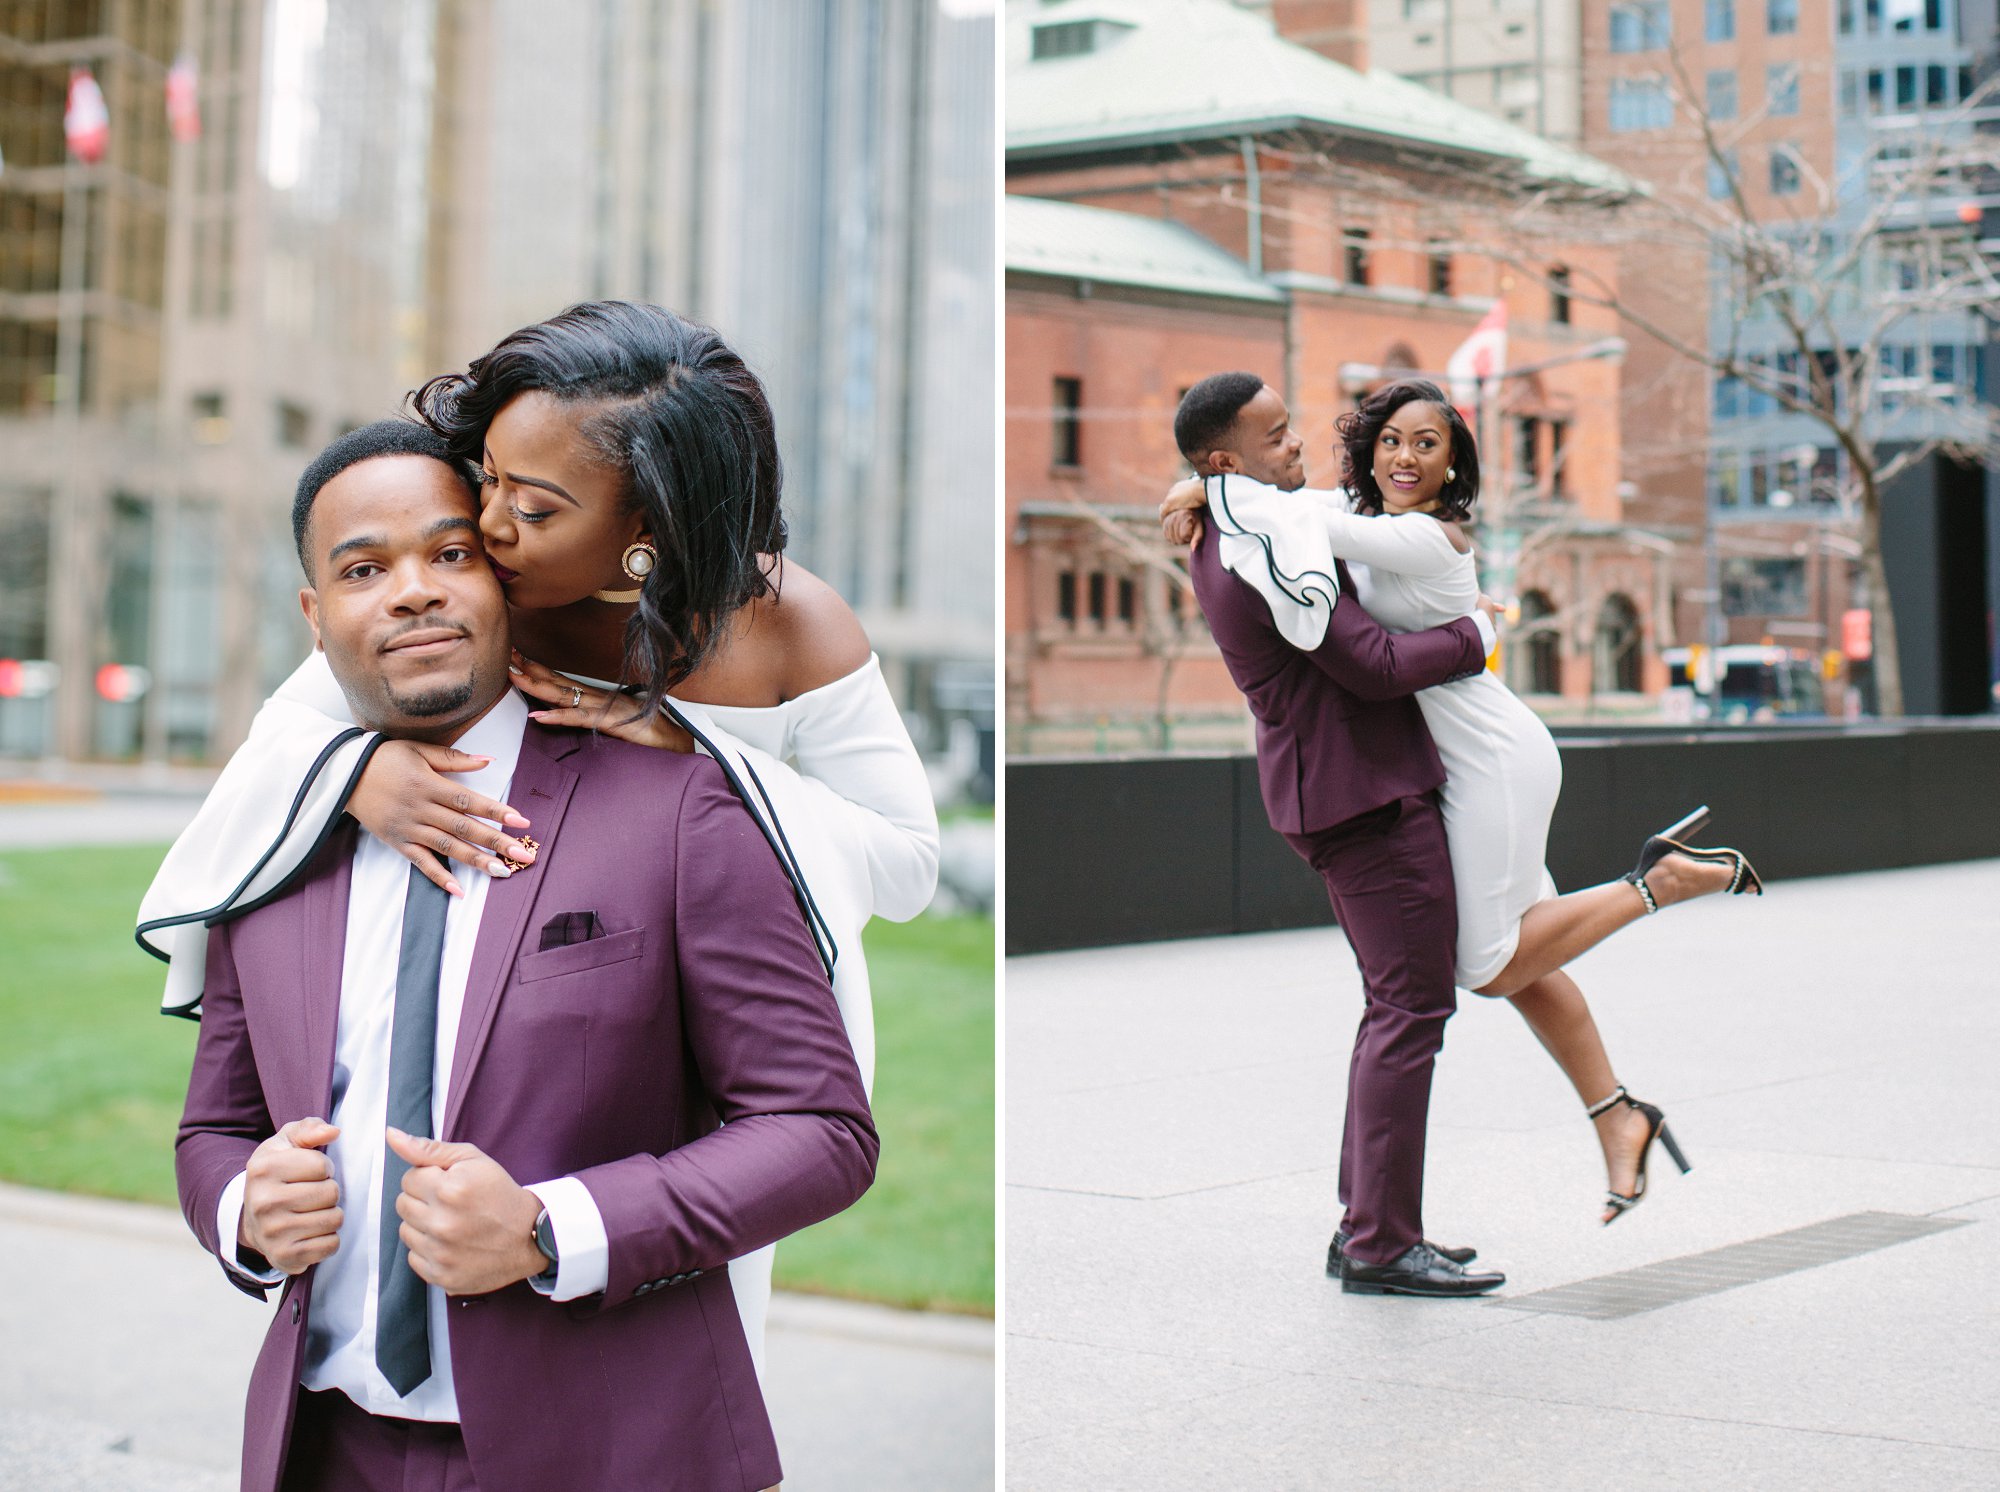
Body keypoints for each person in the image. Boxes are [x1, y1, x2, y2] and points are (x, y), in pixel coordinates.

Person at [139, 302, 937, 1367]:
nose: (490, 519)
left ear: (642, 534)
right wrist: (358, 769)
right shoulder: (469, 590)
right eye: (493, 474)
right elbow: (284, 743)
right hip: (510, 979)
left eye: (539, 505)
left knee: (683, 1301)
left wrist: (680, 743)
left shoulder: (789, 626)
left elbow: (907, 859)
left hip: (723, 980)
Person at [1163, 376, 1761, 1225]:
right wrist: (1211, 493)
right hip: (1444, 759)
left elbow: (1325, 562)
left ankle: (1659, 882)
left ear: (1454, 466)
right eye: (1392, 441)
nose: (1405, 456)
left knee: (1487, 965)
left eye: (1429, 445)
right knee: (1521, 965)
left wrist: (1210, 490)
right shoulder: (1320, 526)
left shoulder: (1401, 534)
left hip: (1486, 755)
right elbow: (1314, 527)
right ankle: (1617, 1116)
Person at [1170, 372, 1507, 1298]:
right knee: (1411, 1012)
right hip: (1362, 799)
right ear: (1227, 459)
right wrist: (1477, 633)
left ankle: (1367, 1225)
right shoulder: (1262, 552)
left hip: (1335, 790)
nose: (1298, 448)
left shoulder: (1241, 524)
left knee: (1390, 1010)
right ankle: (1382, 1244)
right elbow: (1372, 665)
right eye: (1275, 437)